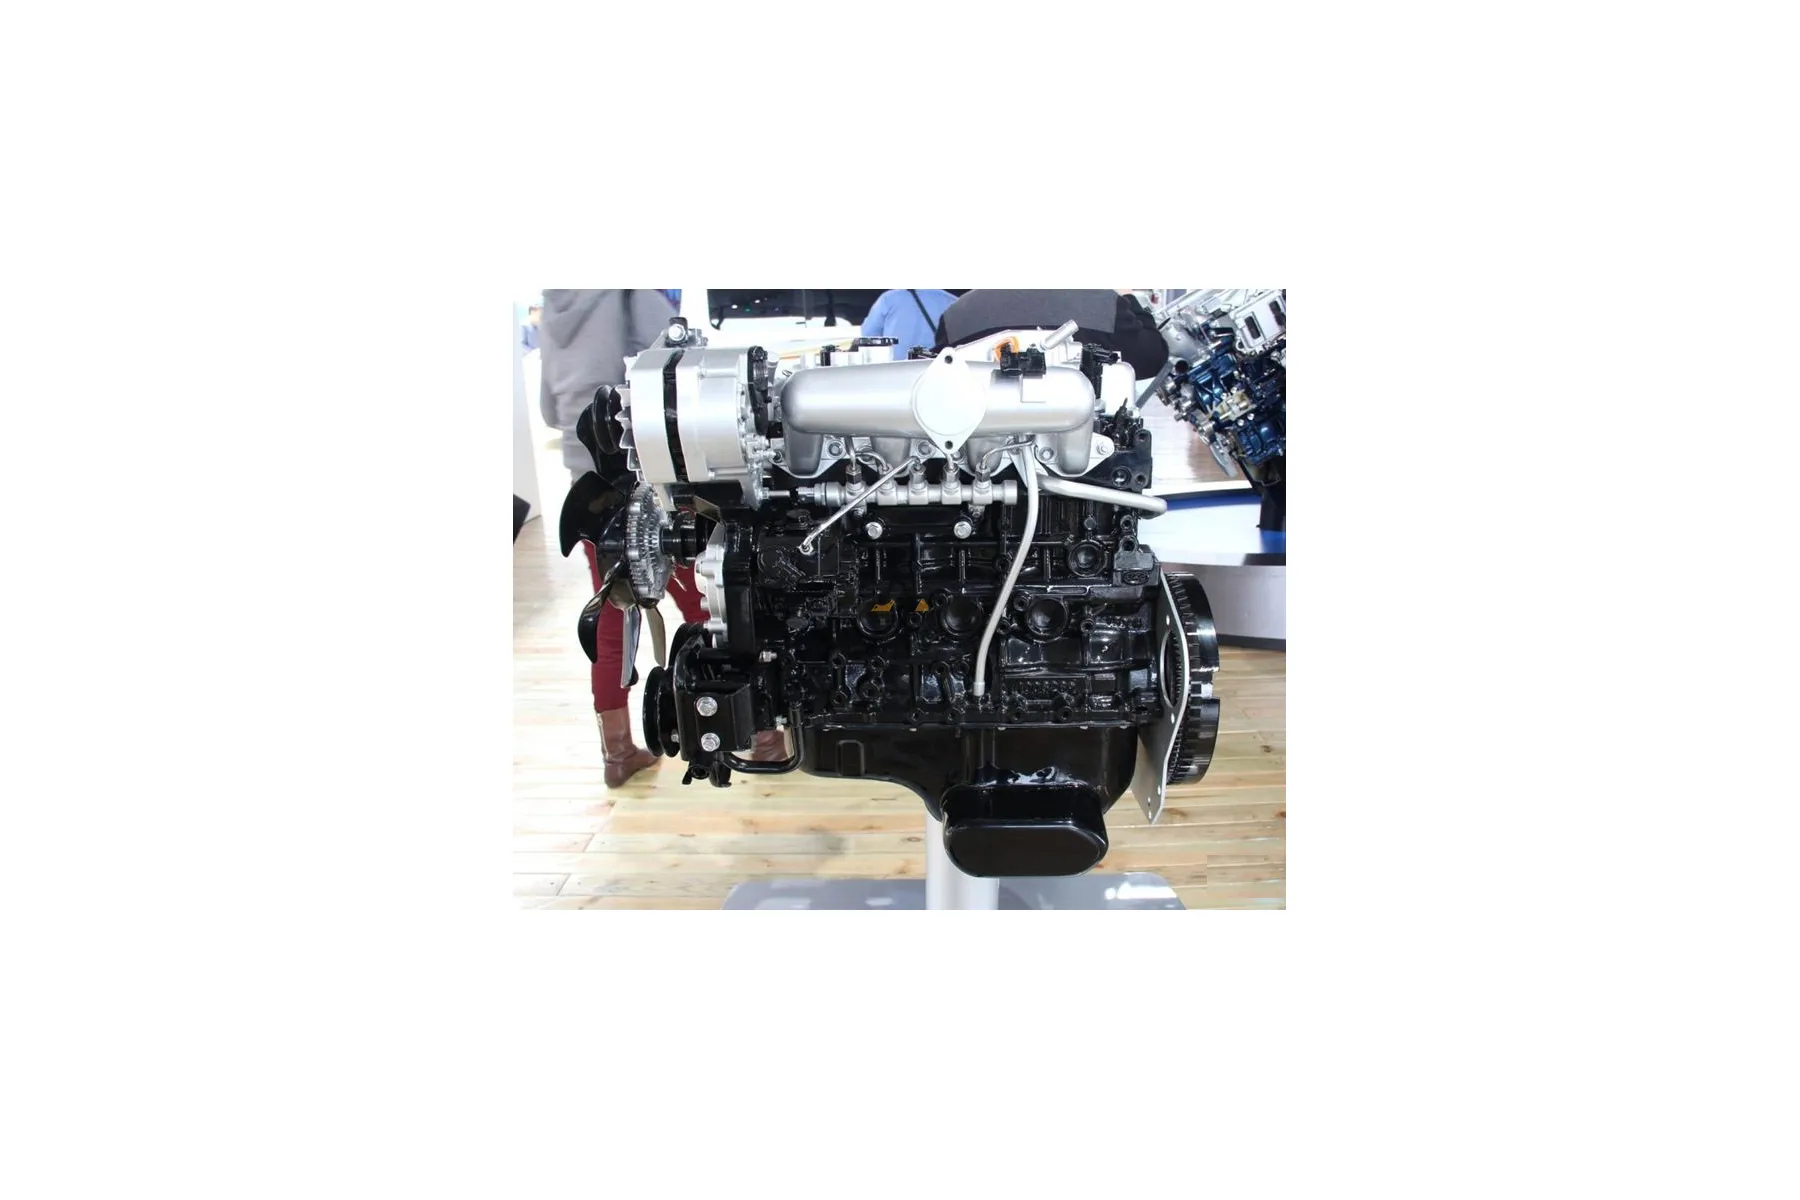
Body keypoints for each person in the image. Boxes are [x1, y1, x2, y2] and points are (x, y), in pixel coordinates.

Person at [538, 289, 782, 787]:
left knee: (611, 619)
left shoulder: (554, 313)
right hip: (655, 486)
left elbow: (547, 409)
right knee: (716, 604)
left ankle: (617, 751)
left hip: (592, 496)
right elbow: (685, 378)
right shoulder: (633, 295)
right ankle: (761, 736)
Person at [931, 288, 1169, 380]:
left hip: (979, 462)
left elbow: (937, 377)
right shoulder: (1102, 303)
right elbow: (1151, 359)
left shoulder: (958, 313)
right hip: (1087, 460)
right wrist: (1130, 297)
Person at [859, 289, 958, 357]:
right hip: (937, 366)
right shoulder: (951, 301)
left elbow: (869, 336)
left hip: (900, 370)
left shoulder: (889, 299)